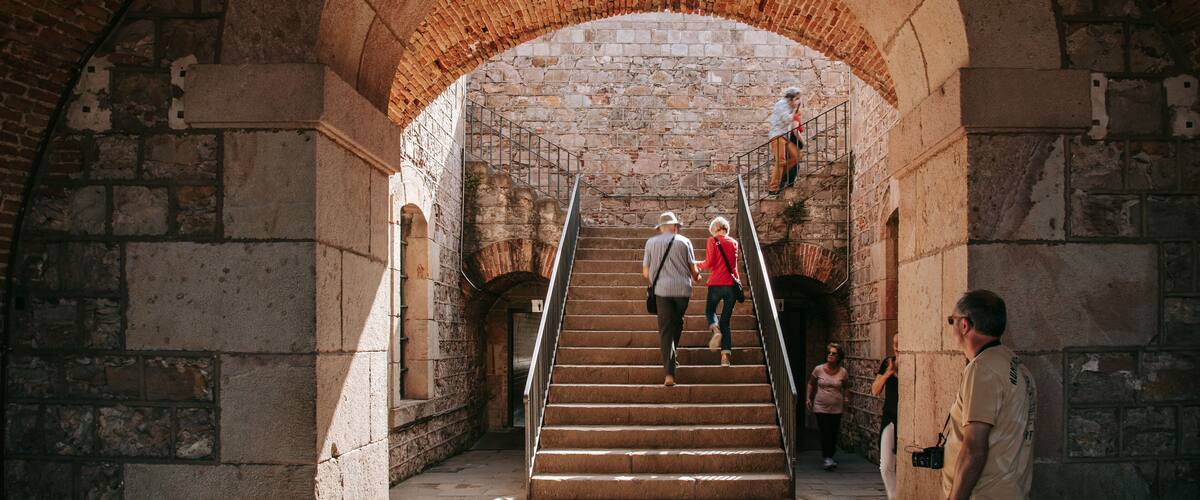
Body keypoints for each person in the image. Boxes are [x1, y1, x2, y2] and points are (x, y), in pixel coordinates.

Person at [943, 290, 1036, 500]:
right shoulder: (1015, 364)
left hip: (984, 493)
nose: (952, 327)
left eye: (952, 320)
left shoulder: (982, 369)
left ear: (964, 325)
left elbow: (974, 450)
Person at [641, 211, 700, 387]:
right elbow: (693, 270)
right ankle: (672, 358)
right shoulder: (685, 241)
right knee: (677, 322)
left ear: (660, 228)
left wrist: (653, 280)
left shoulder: (651, 243)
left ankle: (669, 374)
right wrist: (697, 277)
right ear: (675, 227)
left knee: (666, 329)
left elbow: (645, 272)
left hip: (662, 291)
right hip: (683, 291)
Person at [696, 216, 739, 367]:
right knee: (726, 322)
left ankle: (715, 329)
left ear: (715, 228)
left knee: (710, 310)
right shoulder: (734, 242)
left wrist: (696, 265)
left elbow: (710, 262)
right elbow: (734, 267)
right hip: (731, 286)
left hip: (715, 284)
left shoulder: (712, 241)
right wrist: (737, 285)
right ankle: (725, 358)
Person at [807, 342, 849, 470]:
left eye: (834, 354)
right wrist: (808, 397)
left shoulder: (843, 372)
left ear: (838, 357)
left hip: (836, 407)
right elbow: (811, 383)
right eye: (829, 353)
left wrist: (846, 398)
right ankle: (827, 457)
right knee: (825, 431)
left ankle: (830, 456)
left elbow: (846, 387)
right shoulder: (818, 369)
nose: (830, 355)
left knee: (833, 432)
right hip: (821, 406)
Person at [871, 334, 900, 499]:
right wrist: (888, 374)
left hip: (904, 419)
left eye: (900, 343)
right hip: (889, 417)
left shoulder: (912, 361)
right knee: (886, 464)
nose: (897, 347)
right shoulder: (887, 363)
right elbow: (875, 390)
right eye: (894, 343)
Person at [768, 87, 803, 195]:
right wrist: (794, 110)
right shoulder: (782, 104)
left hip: (784, 136)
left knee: (796, 156)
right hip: (777, 136)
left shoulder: (787, 106)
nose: (798, 101)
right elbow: (787, 119)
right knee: (781, 161)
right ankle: (773, 188)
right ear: (791, 98)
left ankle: (783, 177)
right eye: (796, 99)